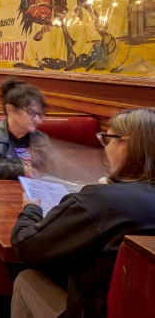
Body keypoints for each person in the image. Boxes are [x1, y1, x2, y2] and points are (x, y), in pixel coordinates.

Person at [11, 108, 155, 318]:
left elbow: (26, 244)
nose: (104, 148)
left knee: (27, 280)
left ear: (127, 143)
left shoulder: (103, 201)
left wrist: (31, 209)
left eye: (108, 139)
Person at [0, 78, 52, 180]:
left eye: (40, 114)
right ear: (10, 110)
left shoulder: (42, 139)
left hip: (28, 194)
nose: (37, 120)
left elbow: (51, 174)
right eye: (30, 112)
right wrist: (19, 170)